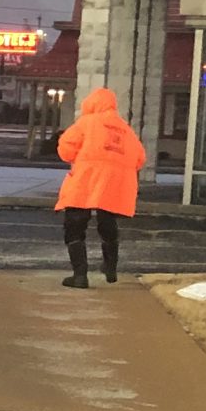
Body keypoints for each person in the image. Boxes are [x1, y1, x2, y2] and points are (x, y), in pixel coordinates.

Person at [53, 85, 145, 288]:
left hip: (86, 179)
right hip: (115, 183)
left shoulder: (86, 122)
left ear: (91, 104)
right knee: (108, 220)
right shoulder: (126, 129)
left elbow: (66, 150)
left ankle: (79, 275)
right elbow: (139, 158)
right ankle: (110, 266)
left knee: (75, 224)